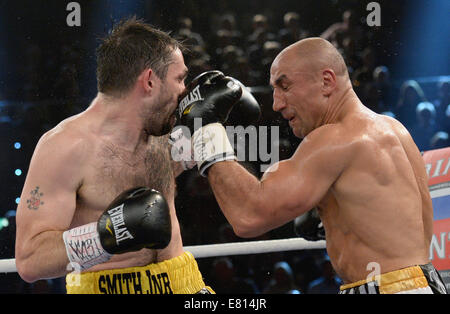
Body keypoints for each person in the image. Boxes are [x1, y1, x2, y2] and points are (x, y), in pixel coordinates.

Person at [177, 37, 448, 294]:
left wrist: (206, 126)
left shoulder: (336, 138)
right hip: (422, 281)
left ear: (327, 81)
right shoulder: (392, 128)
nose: (276, 103)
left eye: (285, 86)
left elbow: (249, 215)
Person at [14, 17, 213, 294]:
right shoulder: (65, 147)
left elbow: (198, 162)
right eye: (179, 79)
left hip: (183, 282)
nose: (184, 90)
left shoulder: (164, 129)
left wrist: (215, 121)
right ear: (149, 81)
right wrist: (106, 236)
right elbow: (30, 260)